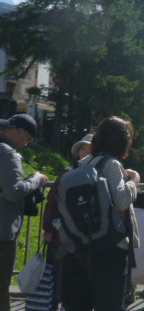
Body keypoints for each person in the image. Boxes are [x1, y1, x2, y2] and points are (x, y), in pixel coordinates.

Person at [60, 116, 140, 311]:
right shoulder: (110, 164)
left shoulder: (82, 163)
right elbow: (121, 200)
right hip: (109, 247)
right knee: (109, 304)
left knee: (79, 304)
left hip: (79, 244)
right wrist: (134, 180)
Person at [0, 114, 48, 311]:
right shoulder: (7, 153)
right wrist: (35, 179)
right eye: (27, 139)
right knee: (2, 286)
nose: (26, 145)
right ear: (18, 131)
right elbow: (13, 192)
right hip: (2, 232)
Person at [42, 133, 93, 308]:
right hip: (62, 233)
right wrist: (48, 227)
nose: (85, 151)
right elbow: (52, 200)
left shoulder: (98, 173)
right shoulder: (68, 172)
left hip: (86, 236)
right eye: (82, 148)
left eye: (89, 148)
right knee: (58, 274)